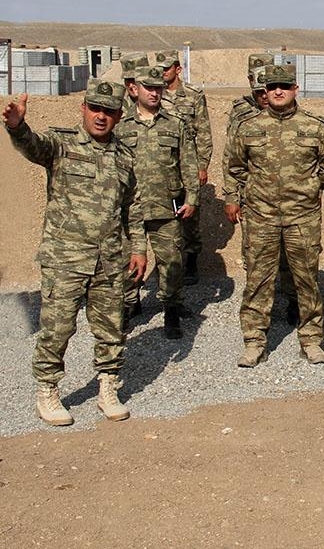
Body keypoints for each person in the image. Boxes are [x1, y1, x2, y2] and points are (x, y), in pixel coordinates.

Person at [3, 82, 147, 426]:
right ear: (83, 108)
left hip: (110, 260)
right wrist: (16, 127)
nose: (101, 117)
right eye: (95, 109)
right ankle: (48, 389)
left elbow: (133, 207)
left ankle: (109, 387)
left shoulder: (124, 156)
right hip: (66, 258)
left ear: (118, 114)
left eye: (109, 111)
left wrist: (139, 248)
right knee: (57, 328)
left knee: (111, 328)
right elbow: (33, 146)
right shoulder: (62, 144)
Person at [226, 64, 324, 367]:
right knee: (258, 280)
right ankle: (254, 341)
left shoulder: (314, 126)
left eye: (285, 86)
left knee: (306, 279)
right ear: (265, 91)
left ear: (295, 90)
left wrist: (313, 186)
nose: (278, 91)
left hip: (302, 218)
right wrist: (234, 197)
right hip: (261, 217)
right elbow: (234, 166)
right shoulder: (248, 126)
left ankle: (311, 339)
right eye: (273, 86)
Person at [115, 65, 199, 339]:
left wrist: (193, 198)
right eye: (148, 88)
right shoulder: (121, 125)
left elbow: (188, 163)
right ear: (135, 89)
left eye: (158, 88)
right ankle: (128, 307)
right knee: (129, 262)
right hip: (132, 209)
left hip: (167, 206)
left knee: (171, 263)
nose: (154, 93)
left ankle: (171, 311)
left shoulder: (175, 123)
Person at [222, 55, 300, 325]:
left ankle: (292, 300)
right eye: (260, 90)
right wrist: (233, 196)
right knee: (255, 255)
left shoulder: (292, 114)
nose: (266, 95)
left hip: (288, 202)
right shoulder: (241, 114)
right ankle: (259, 308)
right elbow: (231, 160)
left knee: (290, 258)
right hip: (254, 201)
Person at [156, 49, 212, 285]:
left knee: (190, 216)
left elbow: (204, 132)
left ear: (178, 69)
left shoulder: (193, 95)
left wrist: (202, 165)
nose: (162, 73)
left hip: (187, 165)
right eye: (159, 69)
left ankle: (190, 262)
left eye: (166, 68)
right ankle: (168, 264)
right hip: (163, 165)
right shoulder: (153, 93)